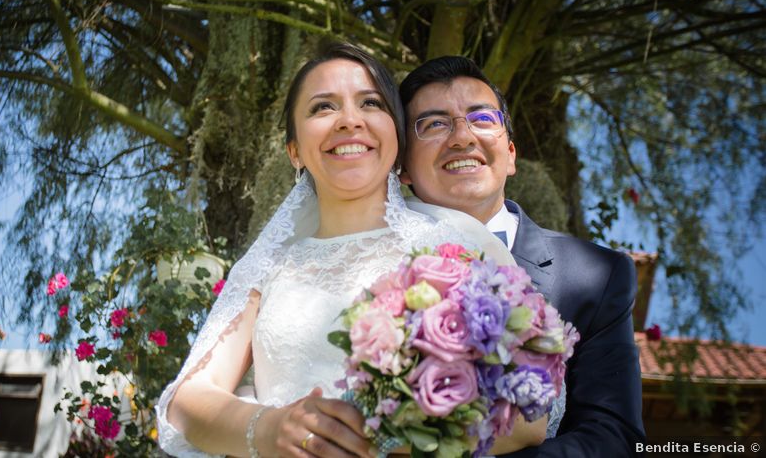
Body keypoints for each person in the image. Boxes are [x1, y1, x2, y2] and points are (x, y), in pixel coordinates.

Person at [155, 44, 550, 457]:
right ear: (294, 151)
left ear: (396, 138)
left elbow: (531, 412)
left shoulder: (459, 243)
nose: (349, 121)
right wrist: (269, 428)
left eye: (371, 103)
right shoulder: (271, 264)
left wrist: (394, 437)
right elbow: (188, 398)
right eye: (323, 107)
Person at [398, 56, 646, 457]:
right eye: (434, 124)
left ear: (510, 154)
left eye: (481, 119)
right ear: (403, 168)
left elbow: (613, 436)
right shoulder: (371, 262)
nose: (462, 137)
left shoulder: (597, 276)